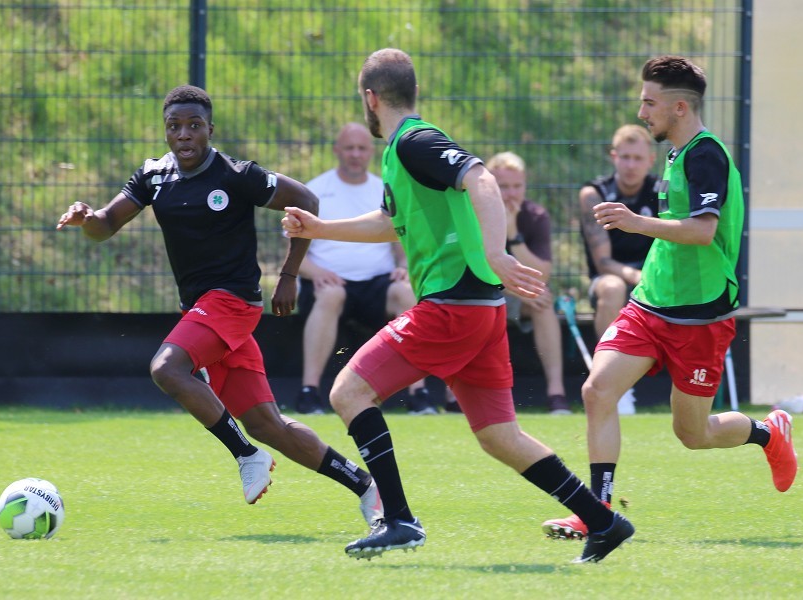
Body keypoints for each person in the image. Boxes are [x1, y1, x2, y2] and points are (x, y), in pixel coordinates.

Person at [283, 48, 633, 564]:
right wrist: (320, 229)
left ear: (370, 98)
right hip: (478, 310)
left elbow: (482, 178)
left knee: (349, 391)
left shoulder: (415, 140)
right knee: (500, 436)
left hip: (454, 305)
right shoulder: (400, 151)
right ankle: (603, 521)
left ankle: (399, 519)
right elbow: (388, 222)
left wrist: (496, 253)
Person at [56, 85, 383, 527]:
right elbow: (106, 225)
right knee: (270, 426)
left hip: (233, 302)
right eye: (175, 127)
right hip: (206, 313)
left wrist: (288, 276)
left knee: (167, 369)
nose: (184, 135)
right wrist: (86, 218)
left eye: (194, 126)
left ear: (210, 129)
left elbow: (306, 200)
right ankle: (365, 486)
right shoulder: (153, 176)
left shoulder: (235, 174)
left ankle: (246, 456)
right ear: (165, 132)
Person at [541, 56, 797, 541]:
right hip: (650, 304)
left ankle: (767, 432)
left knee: (692, 435)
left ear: (679, 107)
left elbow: (702, 232)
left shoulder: (705, 155)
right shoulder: (676, 152)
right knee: (597, 391)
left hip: (700, 316)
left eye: (649, 102)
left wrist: (635, 222)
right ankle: (599, 514)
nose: (642, 112)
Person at [295, 122, 437, 416]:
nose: (355, 154)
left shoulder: (384, 189)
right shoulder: (315, 190)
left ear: (371, 152)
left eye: (361, 148)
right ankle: (308, 393)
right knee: (330, 295)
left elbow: (401, 241)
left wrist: (402, 266)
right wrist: (317, 273)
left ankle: (420, 395)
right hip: (328, 286)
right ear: (337, 151)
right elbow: (296, 254)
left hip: (377, 284)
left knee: (405, 292)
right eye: (349, 148)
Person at [579, 124, 660, 415]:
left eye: (637, 158)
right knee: (612, 287)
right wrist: (636, 277)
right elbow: (603, 263)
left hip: (653, 280)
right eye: (624, 157)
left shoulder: (661, 191)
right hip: (610, 279)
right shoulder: (594, 194)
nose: (630, 165)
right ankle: (612, 384)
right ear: (613, 157)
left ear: (651, 160)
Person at [485, 151, 568, 415]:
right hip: (484, 291)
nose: (511, 194)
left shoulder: (535, 216)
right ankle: (453, 398)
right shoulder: (476, 214)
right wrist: (518, 291)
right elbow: (475, 269)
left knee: (543, 300)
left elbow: (541, 274)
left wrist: (514, 235)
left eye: (517, 186)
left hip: (517, 294)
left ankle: (556, 393)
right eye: (503, 187)